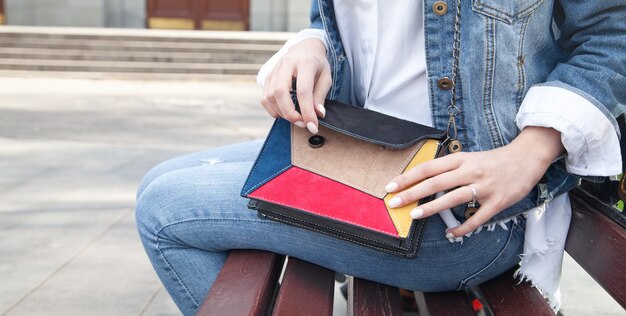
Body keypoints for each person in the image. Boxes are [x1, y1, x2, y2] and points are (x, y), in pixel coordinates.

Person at [135, 1, 625, 315]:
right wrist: (312, 45)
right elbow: (357, 28)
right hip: (369, 155)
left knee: (164, 212)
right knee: (160, 181)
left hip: (458, 206)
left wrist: (530, 153)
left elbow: (612, 34)